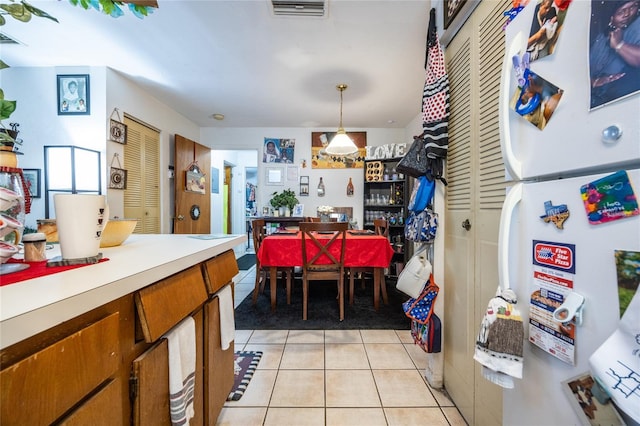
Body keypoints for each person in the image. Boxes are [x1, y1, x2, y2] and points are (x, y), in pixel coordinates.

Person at [589, 0, 640, 108]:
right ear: (610, 16)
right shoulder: (600, 37)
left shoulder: (637, 25)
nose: (627, 14)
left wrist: (620, 45)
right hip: (596, 98)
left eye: (633, 6)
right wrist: (593, 82)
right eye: (621, 11)